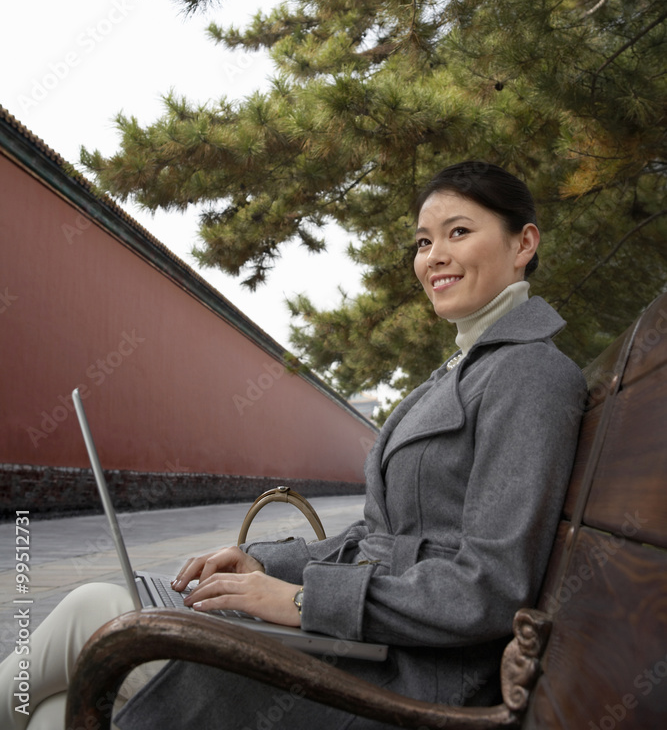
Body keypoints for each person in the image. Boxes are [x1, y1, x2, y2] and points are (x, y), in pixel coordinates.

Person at [0, 161, 587, 729]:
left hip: (407, 677)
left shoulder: (528, 373)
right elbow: (380, 539)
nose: (433, 256)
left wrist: (301, 602)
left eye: (458, 232)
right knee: (56, 710)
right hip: (372, 646)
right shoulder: (467, 367)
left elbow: (489, 588)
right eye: (422, 241)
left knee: (96, 613)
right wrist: (266, 563)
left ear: (523, 243)